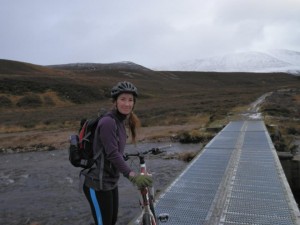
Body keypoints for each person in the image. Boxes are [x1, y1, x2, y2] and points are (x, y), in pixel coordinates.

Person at [82, 81, 152, 225]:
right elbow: (112, 154)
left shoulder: (120, 122)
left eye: (130, 100)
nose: (127, 104)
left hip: (110, 182)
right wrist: (133, 176)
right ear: (115, 102)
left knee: (111, 221)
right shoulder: (108, 122)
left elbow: (111, 150)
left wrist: (123, 158)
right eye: (123, 99)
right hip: (97, 184)